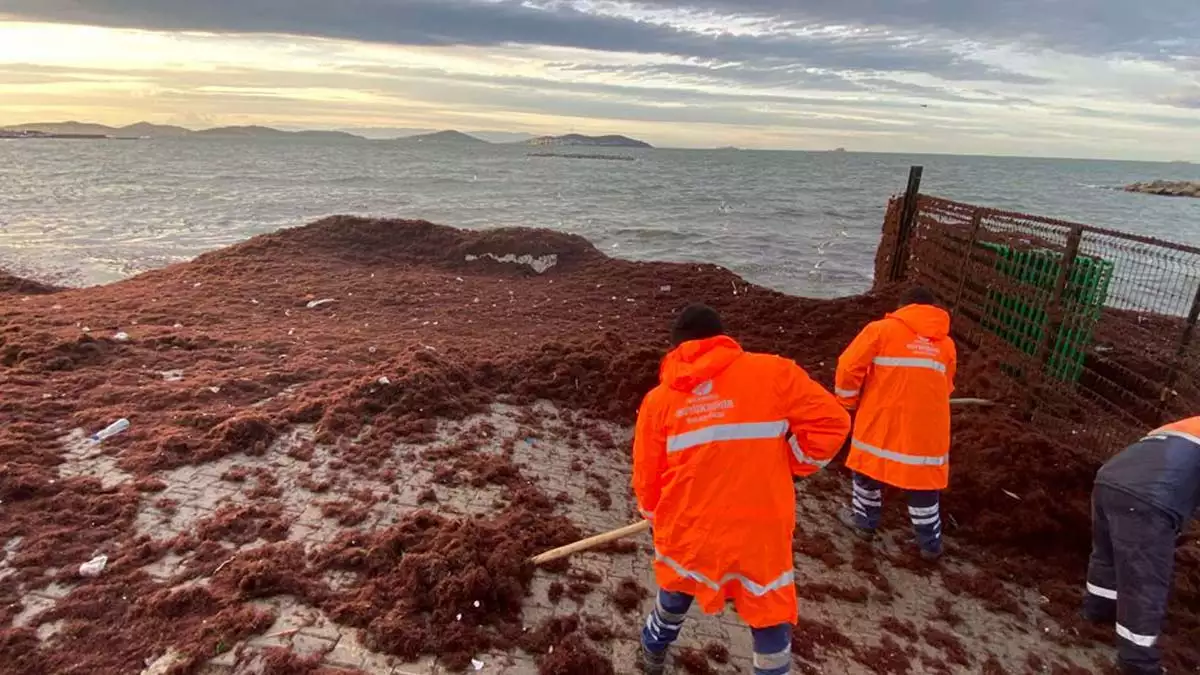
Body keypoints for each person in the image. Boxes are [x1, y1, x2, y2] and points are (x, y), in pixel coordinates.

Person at [632, 303, 851, 675]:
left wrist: (654, 516)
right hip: (760, 527)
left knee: (677, 587)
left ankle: (653, 650)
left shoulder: (659, 402)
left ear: (676, 350)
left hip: (690, 526)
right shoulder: (775, 373)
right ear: (722, 339)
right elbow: (834, 423)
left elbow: (647, 475)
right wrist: (794, 462)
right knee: (768, 610)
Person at [832, 286, 957, 560]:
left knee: (868, 467)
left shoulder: (881, 330)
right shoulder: (946, 343)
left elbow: (848, 367)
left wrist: (847, 402)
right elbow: (946, 386)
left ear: (903, 309)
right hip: (928, 427)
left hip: (882, 418)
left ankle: (864, 523)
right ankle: (930, 543)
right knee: (922, 481)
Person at [1082, 416, 1200, 675]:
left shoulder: (1188, 424)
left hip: (1109, 480)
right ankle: (1138, 663)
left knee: (1107, 557)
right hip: (1150, 500)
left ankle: (1097, 612)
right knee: (1145, 583)